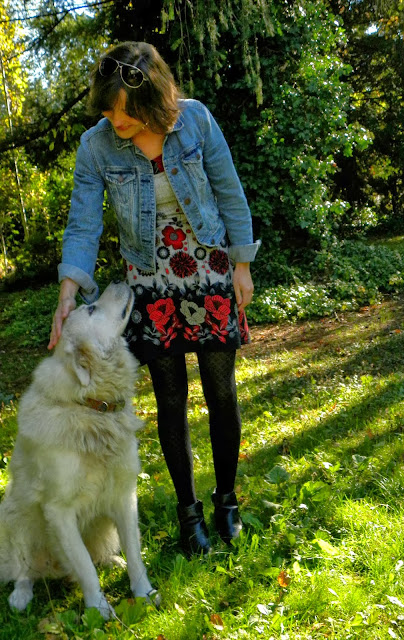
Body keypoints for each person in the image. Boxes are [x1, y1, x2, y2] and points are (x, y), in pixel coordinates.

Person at [48, 41, 260, 556]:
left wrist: (242, 263)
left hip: (209, 266)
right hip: (149, 277)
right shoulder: (96, 146)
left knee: (221, 391)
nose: (114, 120)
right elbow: (83, 223)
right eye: (107, 110)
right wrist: (68, 291)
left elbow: (229, 191)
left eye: (123, 111)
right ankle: (190, 515)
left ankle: (227, 502)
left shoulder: (196, 121)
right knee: (170, 398)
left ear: (152, 98)